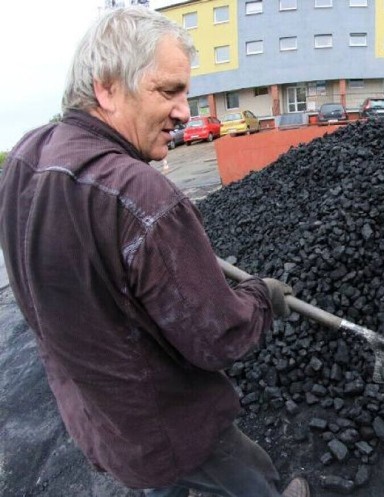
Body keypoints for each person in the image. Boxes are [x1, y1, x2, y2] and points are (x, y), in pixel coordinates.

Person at [0, 7, 309, 497]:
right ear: (107, 88)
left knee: (159, 485)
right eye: (169, 91)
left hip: (98, 414)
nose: (185, 111)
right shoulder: (142, 197)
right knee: (249, 476)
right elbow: (218, 338)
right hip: (167, 418)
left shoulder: (25, 157)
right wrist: (259, 296)